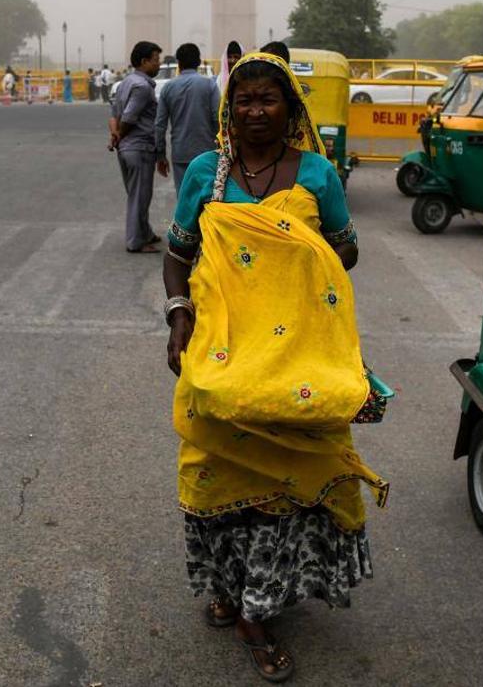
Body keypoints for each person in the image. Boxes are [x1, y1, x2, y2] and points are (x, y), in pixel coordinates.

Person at [163, 52, 388, 682]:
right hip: (222, 354)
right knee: (215, 472)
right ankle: (225, 586)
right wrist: (178, 314)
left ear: (291, 109)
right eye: (244, 100)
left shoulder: (318, 173)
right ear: (227, 111)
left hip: (298, 358)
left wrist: (302, 247)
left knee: (284, 486)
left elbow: (346, 251)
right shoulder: (207, 174)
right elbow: (177, 255)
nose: (255, 111)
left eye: (268, 99)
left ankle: (253, 611)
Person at [111, 40, 163, 253]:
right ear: (144, 61)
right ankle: (136, 241)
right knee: (140, 196)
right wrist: (120, 134)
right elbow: (130, 116)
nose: (158, 64)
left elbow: (114, 114)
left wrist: (115, 136)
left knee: (137, 194)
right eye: (156, 60)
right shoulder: (142, 87)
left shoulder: (126, 82)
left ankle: (145, 232)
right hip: (139, 147)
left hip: (126, 148)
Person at [155, 42, 220, 195]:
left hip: (181, 152)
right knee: (207, 198)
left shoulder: (168, 88)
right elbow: (218, 118)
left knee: (184, 198)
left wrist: (160, 155)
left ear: (179, 63)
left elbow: (159, 125)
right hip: (207, 153)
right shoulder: (209, 85)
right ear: (198, 61)